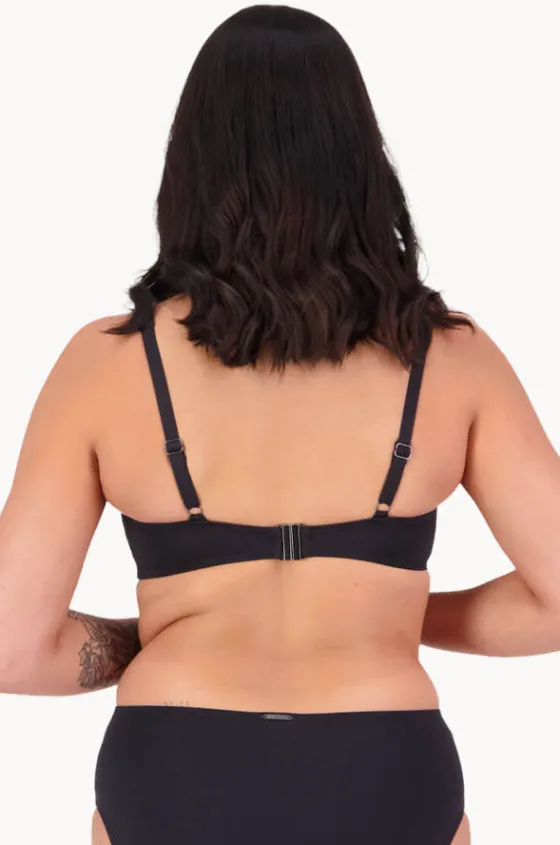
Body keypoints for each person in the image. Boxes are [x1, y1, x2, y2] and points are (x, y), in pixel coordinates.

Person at [1, 5, 558, 844]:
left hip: (175, 765)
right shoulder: (451, 358)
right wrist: (392, 612)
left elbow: (13, 644)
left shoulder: (105, 365)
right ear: (359, 158)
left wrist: (155, 634)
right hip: (385, 763)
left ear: (190, 163)